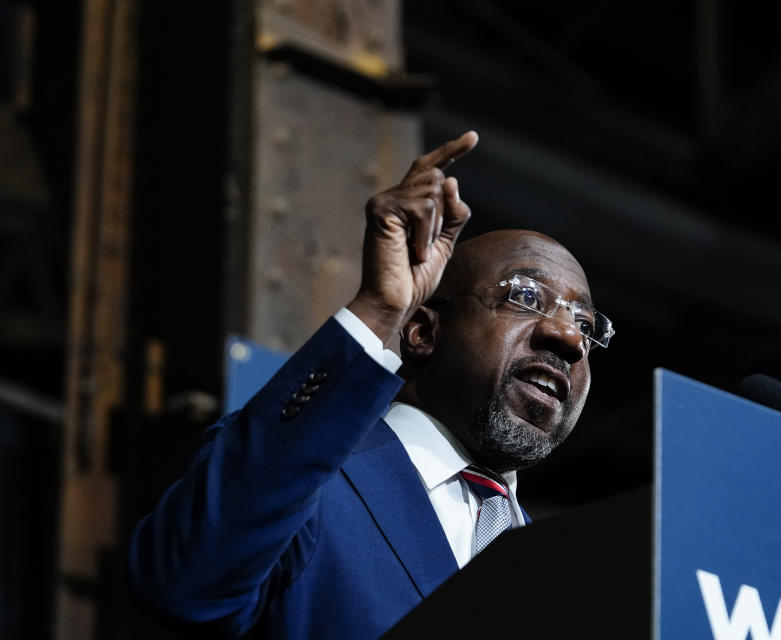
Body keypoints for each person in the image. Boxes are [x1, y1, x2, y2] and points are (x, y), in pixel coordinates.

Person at [126, 131, 614, 639]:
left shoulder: (566, 582)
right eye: (526, 296)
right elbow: (183, 585)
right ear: (423, 330)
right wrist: (379, 309)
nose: (567, 336)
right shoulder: (301, 476)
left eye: (586, 324)